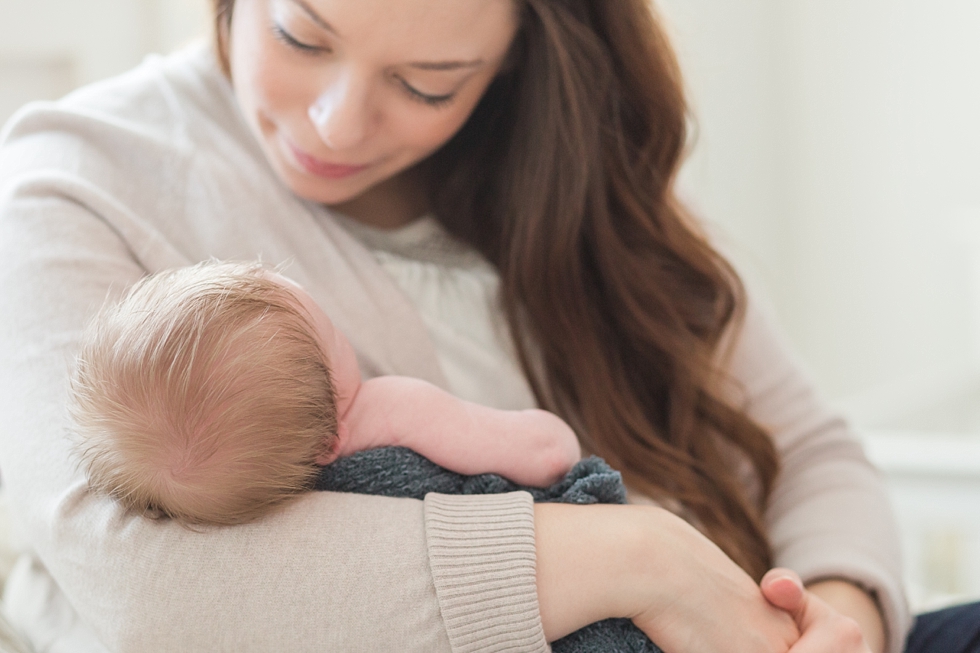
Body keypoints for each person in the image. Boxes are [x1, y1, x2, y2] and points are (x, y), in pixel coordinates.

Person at [1, 0, 977, 651]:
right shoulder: (77, 178)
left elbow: (810, 448)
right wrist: (640, 562)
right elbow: (138, 576)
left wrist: (835, 610)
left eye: (427, 82)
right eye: (302, 34)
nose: (336, 124)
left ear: (516, 61)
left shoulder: (574, 177)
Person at [69, 260, 580, 526]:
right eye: (333, 337)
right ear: (329, 444)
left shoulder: (251, 505)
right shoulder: (394, 410)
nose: (346, 339)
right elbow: (551, 454)